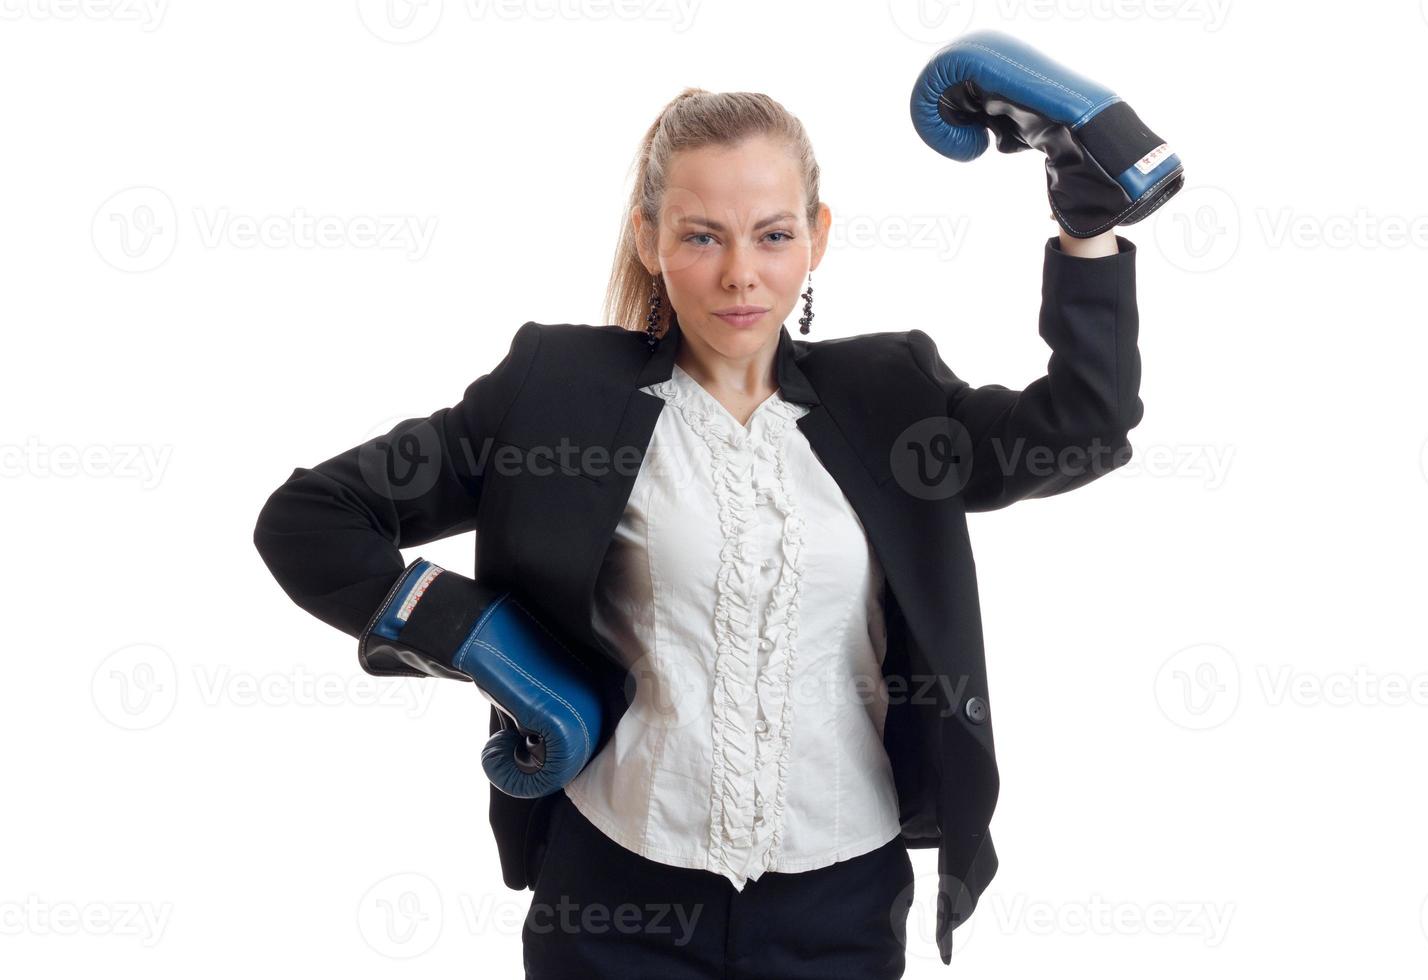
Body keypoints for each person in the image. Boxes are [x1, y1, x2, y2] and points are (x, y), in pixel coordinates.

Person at [255, 79, 1150, 977]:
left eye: (773, 234)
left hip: (840, 904)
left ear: (818, 236)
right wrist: (482, 641)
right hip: (611, 899)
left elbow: (1082, 431)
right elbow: (312, 518)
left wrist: (1087, 232)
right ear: (648, 240)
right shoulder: (555, 394)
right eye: (700, 236)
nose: (740, 275)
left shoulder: (893, 396)